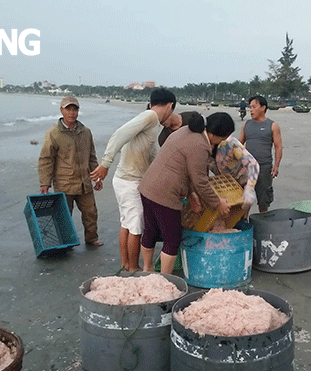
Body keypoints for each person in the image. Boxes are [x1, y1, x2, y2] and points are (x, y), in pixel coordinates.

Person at [91, 88, 176, 271]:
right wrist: (105, 163)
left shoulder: (151, 123)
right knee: (136, 227)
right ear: (170, 106)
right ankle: (132, 268)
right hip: (129, 181)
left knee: (127, 224)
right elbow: (120, 134)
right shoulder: (151, 116)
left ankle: (126, 263)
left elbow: (153, 154)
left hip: (126, 180)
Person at [138, 112, 232, 274]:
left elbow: (183, 168)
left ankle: (147, 269)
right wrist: (218, 203)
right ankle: (165, 280)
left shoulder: (186, 130)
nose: (221, 142)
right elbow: (200, 181)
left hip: (148, 187)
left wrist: (191, 195)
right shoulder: (201, 145)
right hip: (165, 195)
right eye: (222, 139)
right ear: (214, 134)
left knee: (150, 230)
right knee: (172, 239)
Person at [38, 96, 103, 246]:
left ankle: (92, 238)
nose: (72, 113)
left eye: (75, 109)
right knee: (64, 216)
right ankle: (65, 242)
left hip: (84, 182)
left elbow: (92, 157)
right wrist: (45, 183)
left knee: (91, 213)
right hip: (64, 183)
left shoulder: (86, 132)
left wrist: (97, 177)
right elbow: (46, 159)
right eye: (68, 109)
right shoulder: (53, 133)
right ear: (61, 110)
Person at [239, 95, 283, 213]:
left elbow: (278, 147)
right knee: (244, 199)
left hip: (264, 167)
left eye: (254, 107)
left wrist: (276, 166)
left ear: (263, 108)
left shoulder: (272, 125)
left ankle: (263, 220)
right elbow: (239, 145)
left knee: (264, 199)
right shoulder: (246, 124)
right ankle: (244, 221)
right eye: (250, 107)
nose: (251, 110)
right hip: (247, 168)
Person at [208, 134, 260, 215]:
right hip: (225, 183)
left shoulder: (230, 143)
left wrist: (249, 188)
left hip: (242, 181)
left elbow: (253, 164)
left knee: (241, 213)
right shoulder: (202, 147)